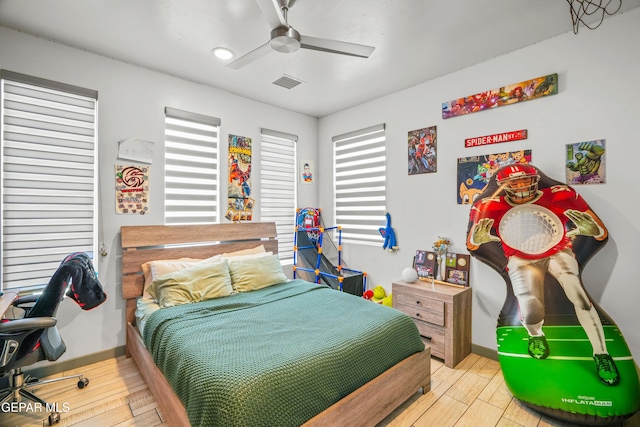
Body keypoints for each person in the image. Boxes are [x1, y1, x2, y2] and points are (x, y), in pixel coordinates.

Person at [466, 163, 619, 386]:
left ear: (535, 180)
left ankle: (601, 354)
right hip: (519, 257)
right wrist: (478, 240)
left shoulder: (558, 195)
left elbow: (599, 231)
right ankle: (536, 336)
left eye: (524, 181)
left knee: (580, 298)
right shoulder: (489, 204)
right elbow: (472, 242)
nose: (520, 187)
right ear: (504, 186)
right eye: (514, 183)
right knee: (529, 308)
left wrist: (593, 231)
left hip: (558, 249)